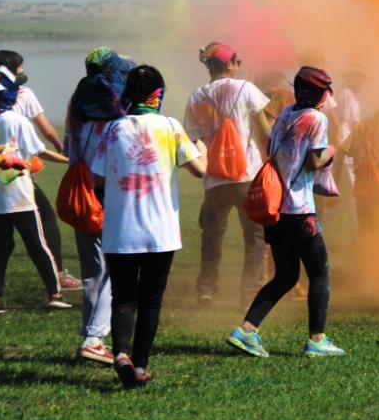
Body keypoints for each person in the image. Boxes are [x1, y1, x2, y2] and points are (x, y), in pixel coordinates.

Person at [91, 65, 205, 388]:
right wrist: (205, 151)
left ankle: (121, 354)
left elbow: (97, 178)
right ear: (158, 95)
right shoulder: (170, 127)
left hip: (120, 232)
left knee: (123, 297)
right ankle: (139, 365)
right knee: (151, 299)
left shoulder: (112, 130)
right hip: (160, 233)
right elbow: (199, 169)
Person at [227, 66, 345, 358]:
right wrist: (331, 150)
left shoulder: (285, 114)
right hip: (300, 210)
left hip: (277, 209)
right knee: (320, 272)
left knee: (285, 276)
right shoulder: (316, 118)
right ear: (320, 94)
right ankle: (317, 340)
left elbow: (273, 150)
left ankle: (246, 330)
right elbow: (314, 162)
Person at [0, 63, 70, 314]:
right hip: (17, 195)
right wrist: (69, 160)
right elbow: (40, 152)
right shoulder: (16, 120)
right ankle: (55, 293)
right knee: (37, 243)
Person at [184, 42, 272, 308]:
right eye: (238, 61)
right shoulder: (246, 89)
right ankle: (249, 292)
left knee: (212, 235)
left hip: (214, 180)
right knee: (256, 237)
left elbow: (193, 140)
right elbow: (266, 133)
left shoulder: (197, 96)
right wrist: (275, 163)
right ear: (230, 64)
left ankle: (206, 289)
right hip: (248, 177)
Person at [65, 47, 136, 364]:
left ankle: (89, 336)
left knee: (93, 271)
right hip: (107, 194)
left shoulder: (76, 102)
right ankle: (95, 339)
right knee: (112, 271)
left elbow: (70, 144)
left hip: (80, 193)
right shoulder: (118, 110)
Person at [0, 49, 82, 291]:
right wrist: (65, 152)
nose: (23, 71)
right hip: (16, 174)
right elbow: (45, 136)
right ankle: (57, 280)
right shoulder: (22, 97)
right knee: (44, 222)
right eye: (19, 67)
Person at [344, 109, 379, 234]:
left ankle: (365, 250)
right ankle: (378, 250)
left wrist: (334, 179)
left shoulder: (360, 127)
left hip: (363, 179)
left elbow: (343, 149)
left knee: (364, 223)